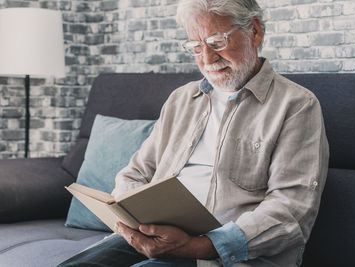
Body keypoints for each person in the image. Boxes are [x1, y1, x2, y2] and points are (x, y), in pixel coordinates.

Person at [58, 0, 329, 266]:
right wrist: (136, 222)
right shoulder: (181, 99)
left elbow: (292, 210)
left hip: (232, 255)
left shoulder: (296, 106)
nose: (207, 59)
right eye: (196, 47)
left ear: (254, 32)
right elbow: (135, 173)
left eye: (216, 42)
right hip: (159, 236)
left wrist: (199, 246)